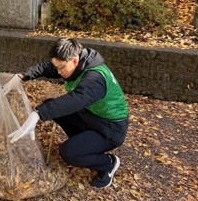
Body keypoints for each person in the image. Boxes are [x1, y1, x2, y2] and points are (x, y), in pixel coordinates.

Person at [8, 38, 129, 189]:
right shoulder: (77, 64)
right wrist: (24, 75)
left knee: (69, 152)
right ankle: (84, 143)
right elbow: (48, 68)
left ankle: (108, 163)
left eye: (61, 68)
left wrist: (38, 114)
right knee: (51, 105)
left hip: (109, 129)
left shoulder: (95, 79)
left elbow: (76, 99)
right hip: (90, 117)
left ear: (74, 60)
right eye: (57, 67)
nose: (58, 72)